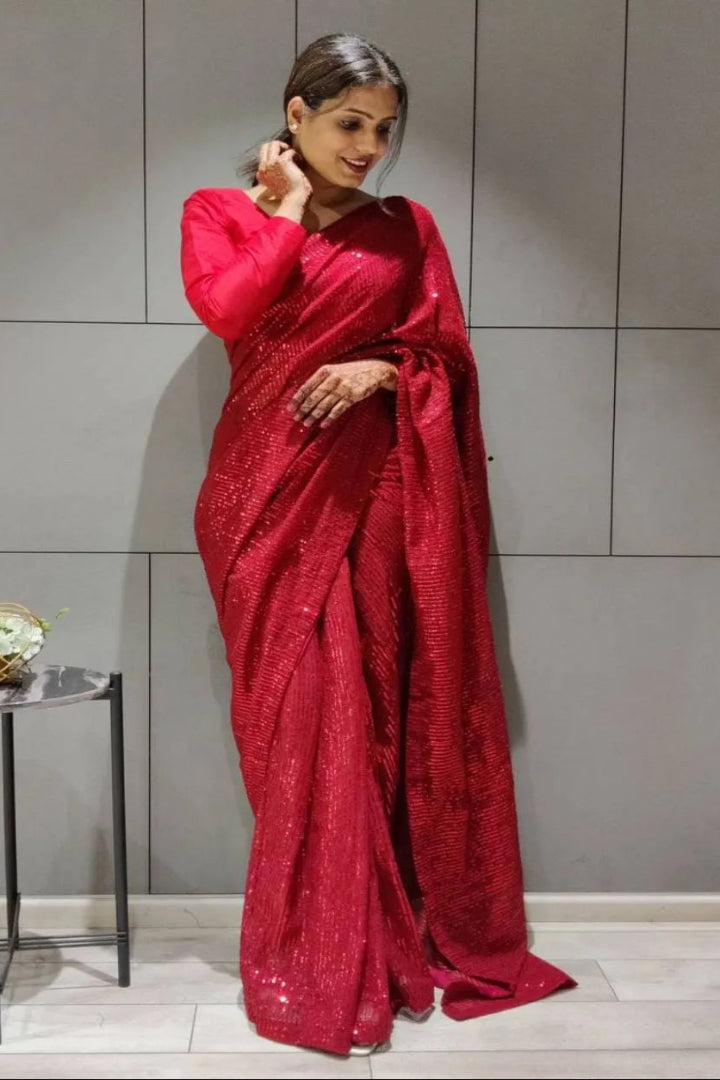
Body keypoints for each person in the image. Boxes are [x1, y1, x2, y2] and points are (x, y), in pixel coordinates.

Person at [180, 31, 575, 1058]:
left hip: (376, 498)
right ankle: (315, 954)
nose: (368, 148)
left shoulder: (410, 230)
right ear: (296, 111)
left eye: (384, 132)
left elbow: (444, 359)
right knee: (296, 727)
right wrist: (288, 214)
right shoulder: (219, 214)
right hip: (257, 500)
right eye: (349, 124)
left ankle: (380, 941)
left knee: (371, 720)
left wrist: (382, 374)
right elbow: (228, 309)